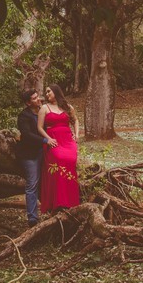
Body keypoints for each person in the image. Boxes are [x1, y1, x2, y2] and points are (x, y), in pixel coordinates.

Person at [37, 83, 80, 212]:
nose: (47, 94)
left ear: (56, 91)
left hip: (68, 140)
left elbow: (75, 120)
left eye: (49, 91)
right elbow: (39, 127)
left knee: (70, 162)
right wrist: (48, 139)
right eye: (46, 92)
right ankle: (58, 201)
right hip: (53, 140)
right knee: (59, 159)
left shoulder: (67, 107)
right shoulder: (44, 108)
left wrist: (77, 135)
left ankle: (71, 201)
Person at [14, 88, 46, 227]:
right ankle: (32, 218)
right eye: (34, 98)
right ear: (28, 103)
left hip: (42, 152)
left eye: (37, 96)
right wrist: (44, 141)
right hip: (29, 155)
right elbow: (26, 135)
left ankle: (49, 208)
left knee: (45, 182)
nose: (38, 99)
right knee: (32, 184)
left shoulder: (42, 112)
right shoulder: (23, 116)